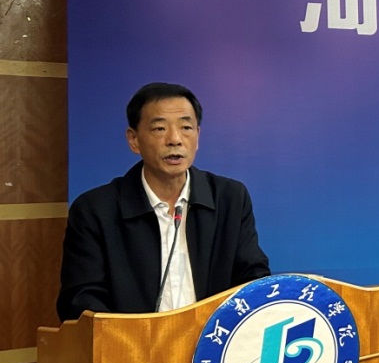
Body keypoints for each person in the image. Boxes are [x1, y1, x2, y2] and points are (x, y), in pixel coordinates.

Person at [57, 82, 270, 321]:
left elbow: (252, 280)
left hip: (213, 340)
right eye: (159, 129)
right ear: (134, 140)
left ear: (198, 136)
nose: (175, 139)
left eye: (186, 127)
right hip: (132, 343)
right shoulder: (96, 210)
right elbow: (80, 300)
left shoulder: (229, 198)